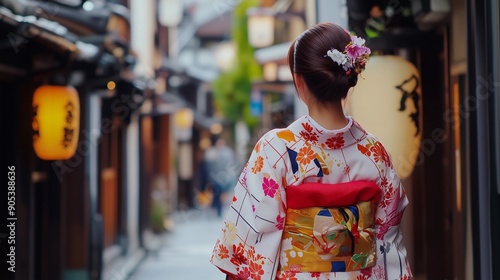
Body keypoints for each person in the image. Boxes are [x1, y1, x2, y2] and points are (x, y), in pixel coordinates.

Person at [210, 22, 412, 280]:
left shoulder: (276, 149)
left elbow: (252, 239)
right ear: (349, 78)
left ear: (299, 81)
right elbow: (388, 241)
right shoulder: (374, 152)